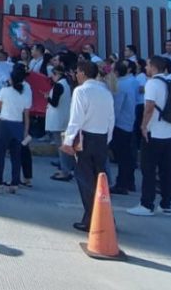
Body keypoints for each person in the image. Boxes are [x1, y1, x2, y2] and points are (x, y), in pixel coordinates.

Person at [59, 60, 116, 232]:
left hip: (86, 137)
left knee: (85, 180)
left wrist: (68, 141)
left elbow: (76, 118)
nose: (76, 75)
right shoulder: (105, 92)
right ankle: (107, 217)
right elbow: (111, 118)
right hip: (101, 137)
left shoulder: (81, 91)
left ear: (83, 73)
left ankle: (91, 218)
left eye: (77, 71)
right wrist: (107, 139)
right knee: (100, 180)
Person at [128, 56, 171, 217]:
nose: (146, 68)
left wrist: (143, 126)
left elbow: (149, 106)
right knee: (167, 170)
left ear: (153, 67)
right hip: (170, 131)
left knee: (149, 169)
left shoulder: (152, 83)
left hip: (154, 132)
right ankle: (166, 204)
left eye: (147, 65)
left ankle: (147, 204)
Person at [0, 63, 33, 195]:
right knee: (16, 156)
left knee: (0, 155)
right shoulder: (25, 93)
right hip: (18, 124)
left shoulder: (5, 90)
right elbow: (26, 114)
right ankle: (14, 183)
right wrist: (25, 131)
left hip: (5, 123)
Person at [110, 60, 139, 194]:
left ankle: (122, 184)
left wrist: (111, 123)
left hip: (121, 124)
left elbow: (117, 108)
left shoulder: (120, 86)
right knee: (127, 155)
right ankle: (129, 182)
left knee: (122, 156)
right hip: (129, 121)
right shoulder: (131, 82)